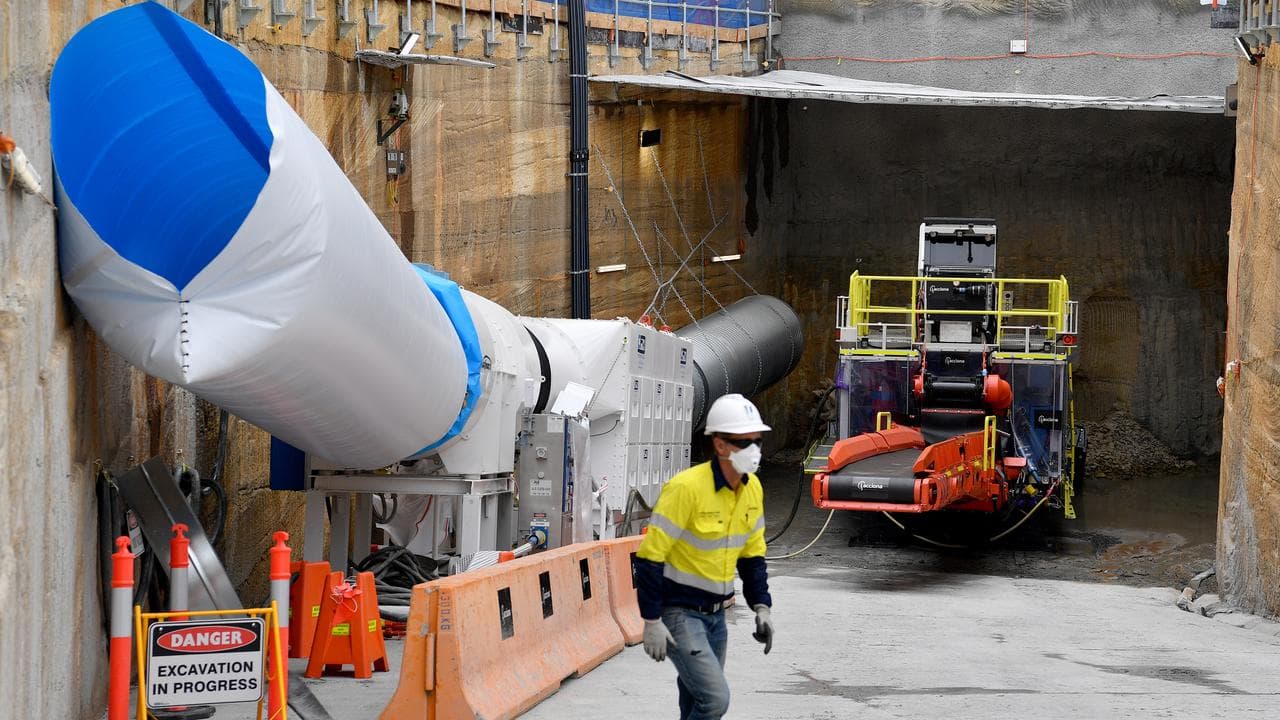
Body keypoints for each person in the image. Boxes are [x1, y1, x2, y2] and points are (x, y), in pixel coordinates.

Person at [633, 393, 774, 720]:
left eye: (758, 441)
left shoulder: (752, 490)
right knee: (714, 700)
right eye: (744, 442)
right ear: (720, 445)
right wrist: (651, 620)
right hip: (680, 613)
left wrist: (762, 607)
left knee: (695, 699)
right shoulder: (686, 489)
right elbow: (650, 557)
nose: (754, 450)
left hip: (716, 616)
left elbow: (752, 557)